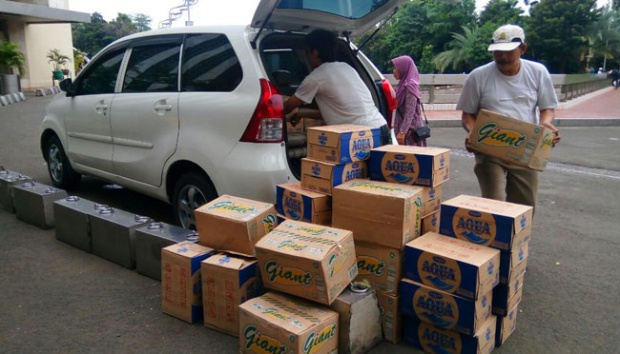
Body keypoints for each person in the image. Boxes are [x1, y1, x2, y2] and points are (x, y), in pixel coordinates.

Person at [456, 24, 561, 211]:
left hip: (525, 148)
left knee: (524, 206)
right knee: (493, 204)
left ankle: (517, 240)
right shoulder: (477, 77)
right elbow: (468, 115)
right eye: (497, 52)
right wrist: (473, 132)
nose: (502, 57)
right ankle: (494, 238)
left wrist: (545, 123)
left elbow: (547, 107)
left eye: (508, 51)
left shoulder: (537, 72)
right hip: (490, 146)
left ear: (523, 49)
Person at [283, 29, 392, 145]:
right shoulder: (347, 68)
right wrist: (301, 113)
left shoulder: (316, 77)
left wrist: (277, 100)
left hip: (360, 137)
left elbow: (287, 107)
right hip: (381, 128)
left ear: (314, 52)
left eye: (307, 52)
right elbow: (340, 111)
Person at [391, 55, 427, 146]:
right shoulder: (401, 85)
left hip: (411, 133)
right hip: (405, 130)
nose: (393, 71)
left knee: (413, 157)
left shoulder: (410, 86)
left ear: (403, 68)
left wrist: (402, 132)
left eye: (396, 68)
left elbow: (409, 112)